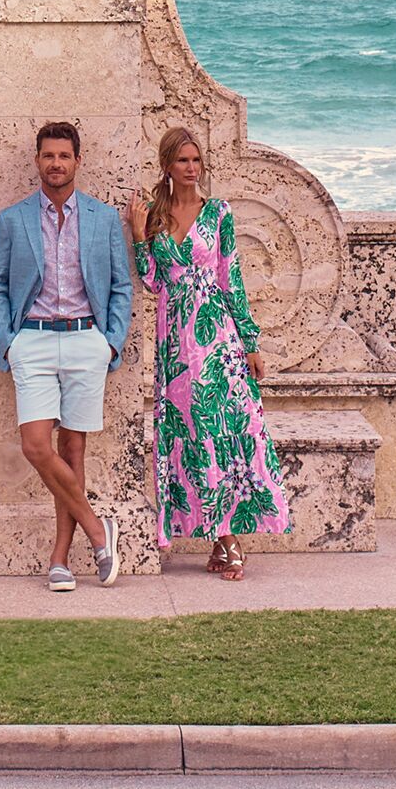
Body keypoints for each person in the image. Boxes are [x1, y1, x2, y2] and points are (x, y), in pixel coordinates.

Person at [129, 123, 288, 580]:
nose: (192, 168)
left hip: (217, 337)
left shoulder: (217, 213)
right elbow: (153, 283)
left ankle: (227, 537)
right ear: (167, 166)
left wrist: (251, 342)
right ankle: (218, 538)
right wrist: (140, 237)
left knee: (226, 429)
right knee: (192, 435)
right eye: (183, 160)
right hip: (175, 342)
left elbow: (230, 278)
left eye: (197, 160)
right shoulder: (155, 216)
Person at [0, 118, 131, 590]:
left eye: (64, 156)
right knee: (36, 446)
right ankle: (96, 528)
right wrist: (9, 340)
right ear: (37, 161)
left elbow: (122, 285)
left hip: (88, 339)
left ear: (77, 161)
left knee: (74, 449)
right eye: (48, 155)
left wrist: (111, 340)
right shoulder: (13, 219)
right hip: (34, 339)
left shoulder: (104, 219)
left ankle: (61, 560)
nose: (55, 163)